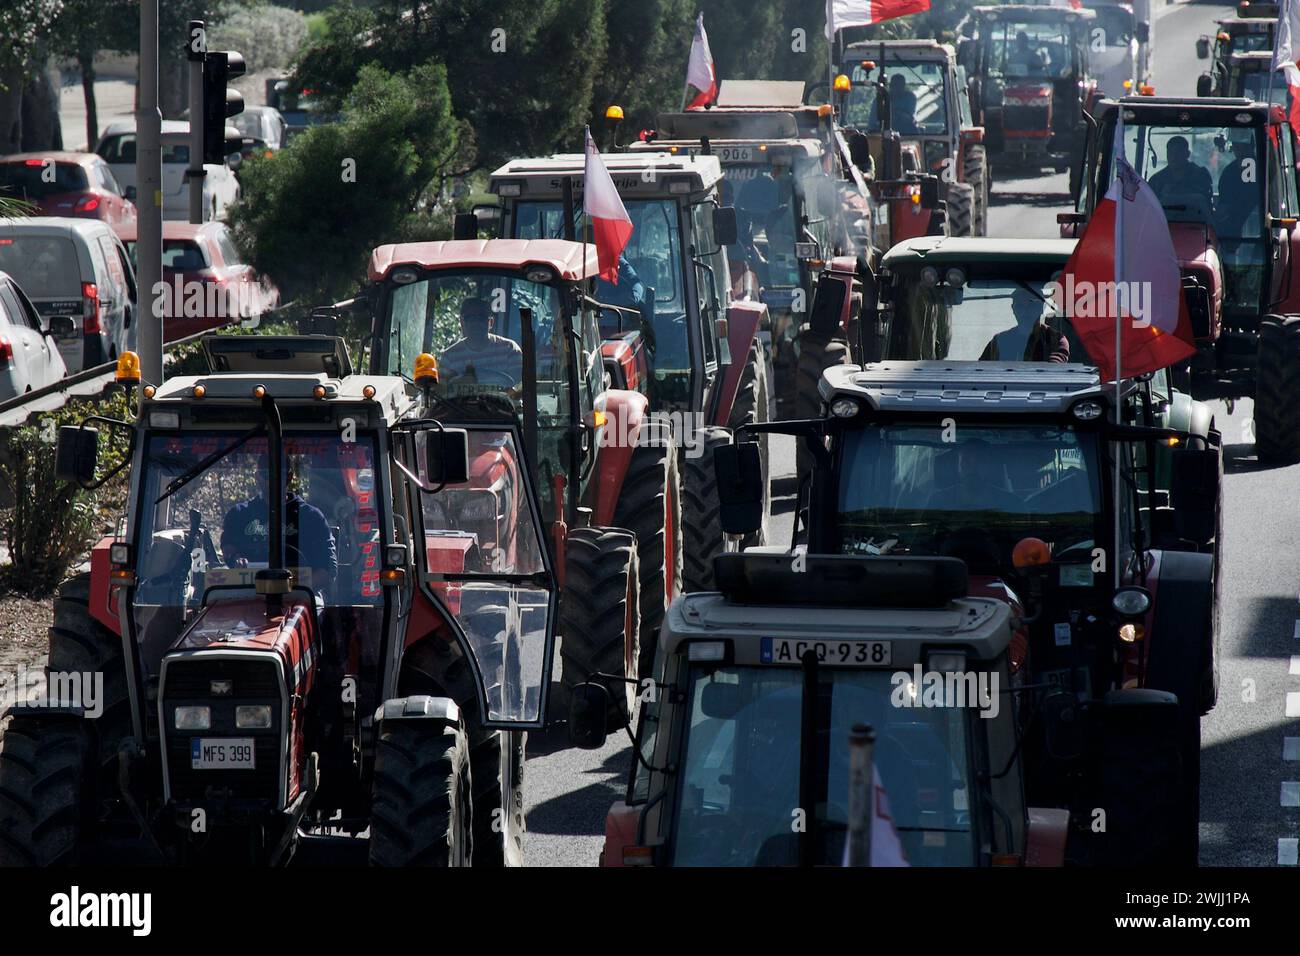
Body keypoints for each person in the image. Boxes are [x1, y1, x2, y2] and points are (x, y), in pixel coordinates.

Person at [221, 458, 337, 592]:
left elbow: (328, 569)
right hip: (248, 592)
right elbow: (229, 548)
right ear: (257, 477)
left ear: (289, 477)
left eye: (279, 476)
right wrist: (237, 560)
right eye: (266, 475)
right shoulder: (239, 515)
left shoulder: (311, 517)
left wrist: (291, 588)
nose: (272, 481)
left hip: (303, 594)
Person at [438, 297, 524, 386]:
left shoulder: (510, 350)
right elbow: (442, 392)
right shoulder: (449, 358)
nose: (476, 323)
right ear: (462, 322)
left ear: (490, 322)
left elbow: (518, 390)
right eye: (470, 318)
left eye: (481, 317)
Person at [1148, 135, 1214, 210]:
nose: (1173, 157)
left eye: (1178, 152)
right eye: (1170, 152)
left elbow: (1207, 205)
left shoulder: (1201, 176)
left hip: (1196, 220)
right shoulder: (1157, 180)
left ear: (1187, 154)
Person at [1215, 131, 1260, 237]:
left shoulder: (1255, 167)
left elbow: (1249, 198)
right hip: (1232, 228)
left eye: (1244, 146)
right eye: (1237, 145)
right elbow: (1224, 202)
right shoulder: (1229, 172)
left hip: (1255, 226)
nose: (1239, 149)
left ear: (1251, 146)